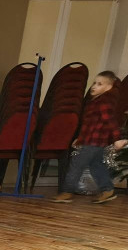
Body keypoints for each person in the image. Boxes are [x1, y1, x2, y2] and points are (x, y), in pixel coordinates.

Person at [52, 71, 128, 204]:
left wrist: (117, 139)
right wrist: (80, 138)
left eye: (100, 84)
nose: (94, 86)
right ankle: (107, 189)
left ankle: (67, 192)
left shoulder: (104, 102)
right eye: (94, 83)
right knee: (96, 165)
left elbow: (110, 121)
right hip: (93, 141)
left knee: (76, 165)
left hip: (93, 141)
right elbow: (89, 124)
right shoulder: (97, 101)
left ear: (109, 87)